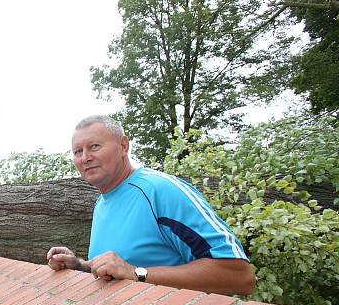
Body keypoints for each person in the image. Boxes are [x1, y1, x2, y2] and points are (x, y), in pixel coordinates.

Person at [47, 115, 255, 295]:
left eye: (94, 147)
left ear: (123, 146)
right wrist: (81, 266)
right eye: (78, 151)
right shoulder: (103, 202)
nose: (85, 158)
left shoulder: (160, 190)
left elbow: (239, 276)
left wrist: (137, 273)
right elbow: (117, 269)